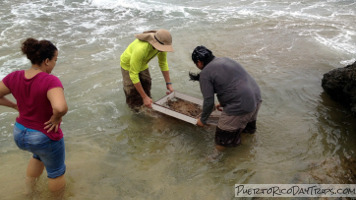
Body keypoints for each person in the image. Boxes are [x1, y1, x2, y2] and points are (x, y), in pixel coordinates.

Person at [0, 38, 68, 195]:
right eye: (55, 60)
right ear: (46, 61)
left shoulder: (14, 76)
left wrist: (14, 105)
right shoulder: (50, 80)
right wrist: (56, 118)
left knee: (38, 156)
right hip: (43, 135)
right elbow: (60, 107)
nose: (55, 63)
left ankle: (29, 193)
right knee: (56, 172)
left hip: (20, 134)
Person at [189, 46, 262, 152]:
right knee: (246, 132)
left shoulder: (205, 73)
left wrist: (202, 120)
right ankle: (248, 154)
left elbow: (209, 102)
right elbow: (233, 84)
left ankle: (214, 161)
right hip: (256, 98)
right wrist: (224, 103)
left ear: (199, 62)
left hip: (241, 105)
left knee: (222, 140)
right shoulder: (225, 60)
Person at [120, 29, 174, 111]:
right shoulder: (141, 49)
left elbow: (163, 63)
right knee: (132, 92)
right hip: (128, 65)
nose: (163, 49)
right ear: (155, 43)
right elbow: (133, 74)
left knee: (147, 83)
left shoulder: (162, 44)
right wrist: (144, 97)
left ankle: (147, 103)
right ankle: (136, 112)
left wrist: (168, 83)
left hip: (143, 63)